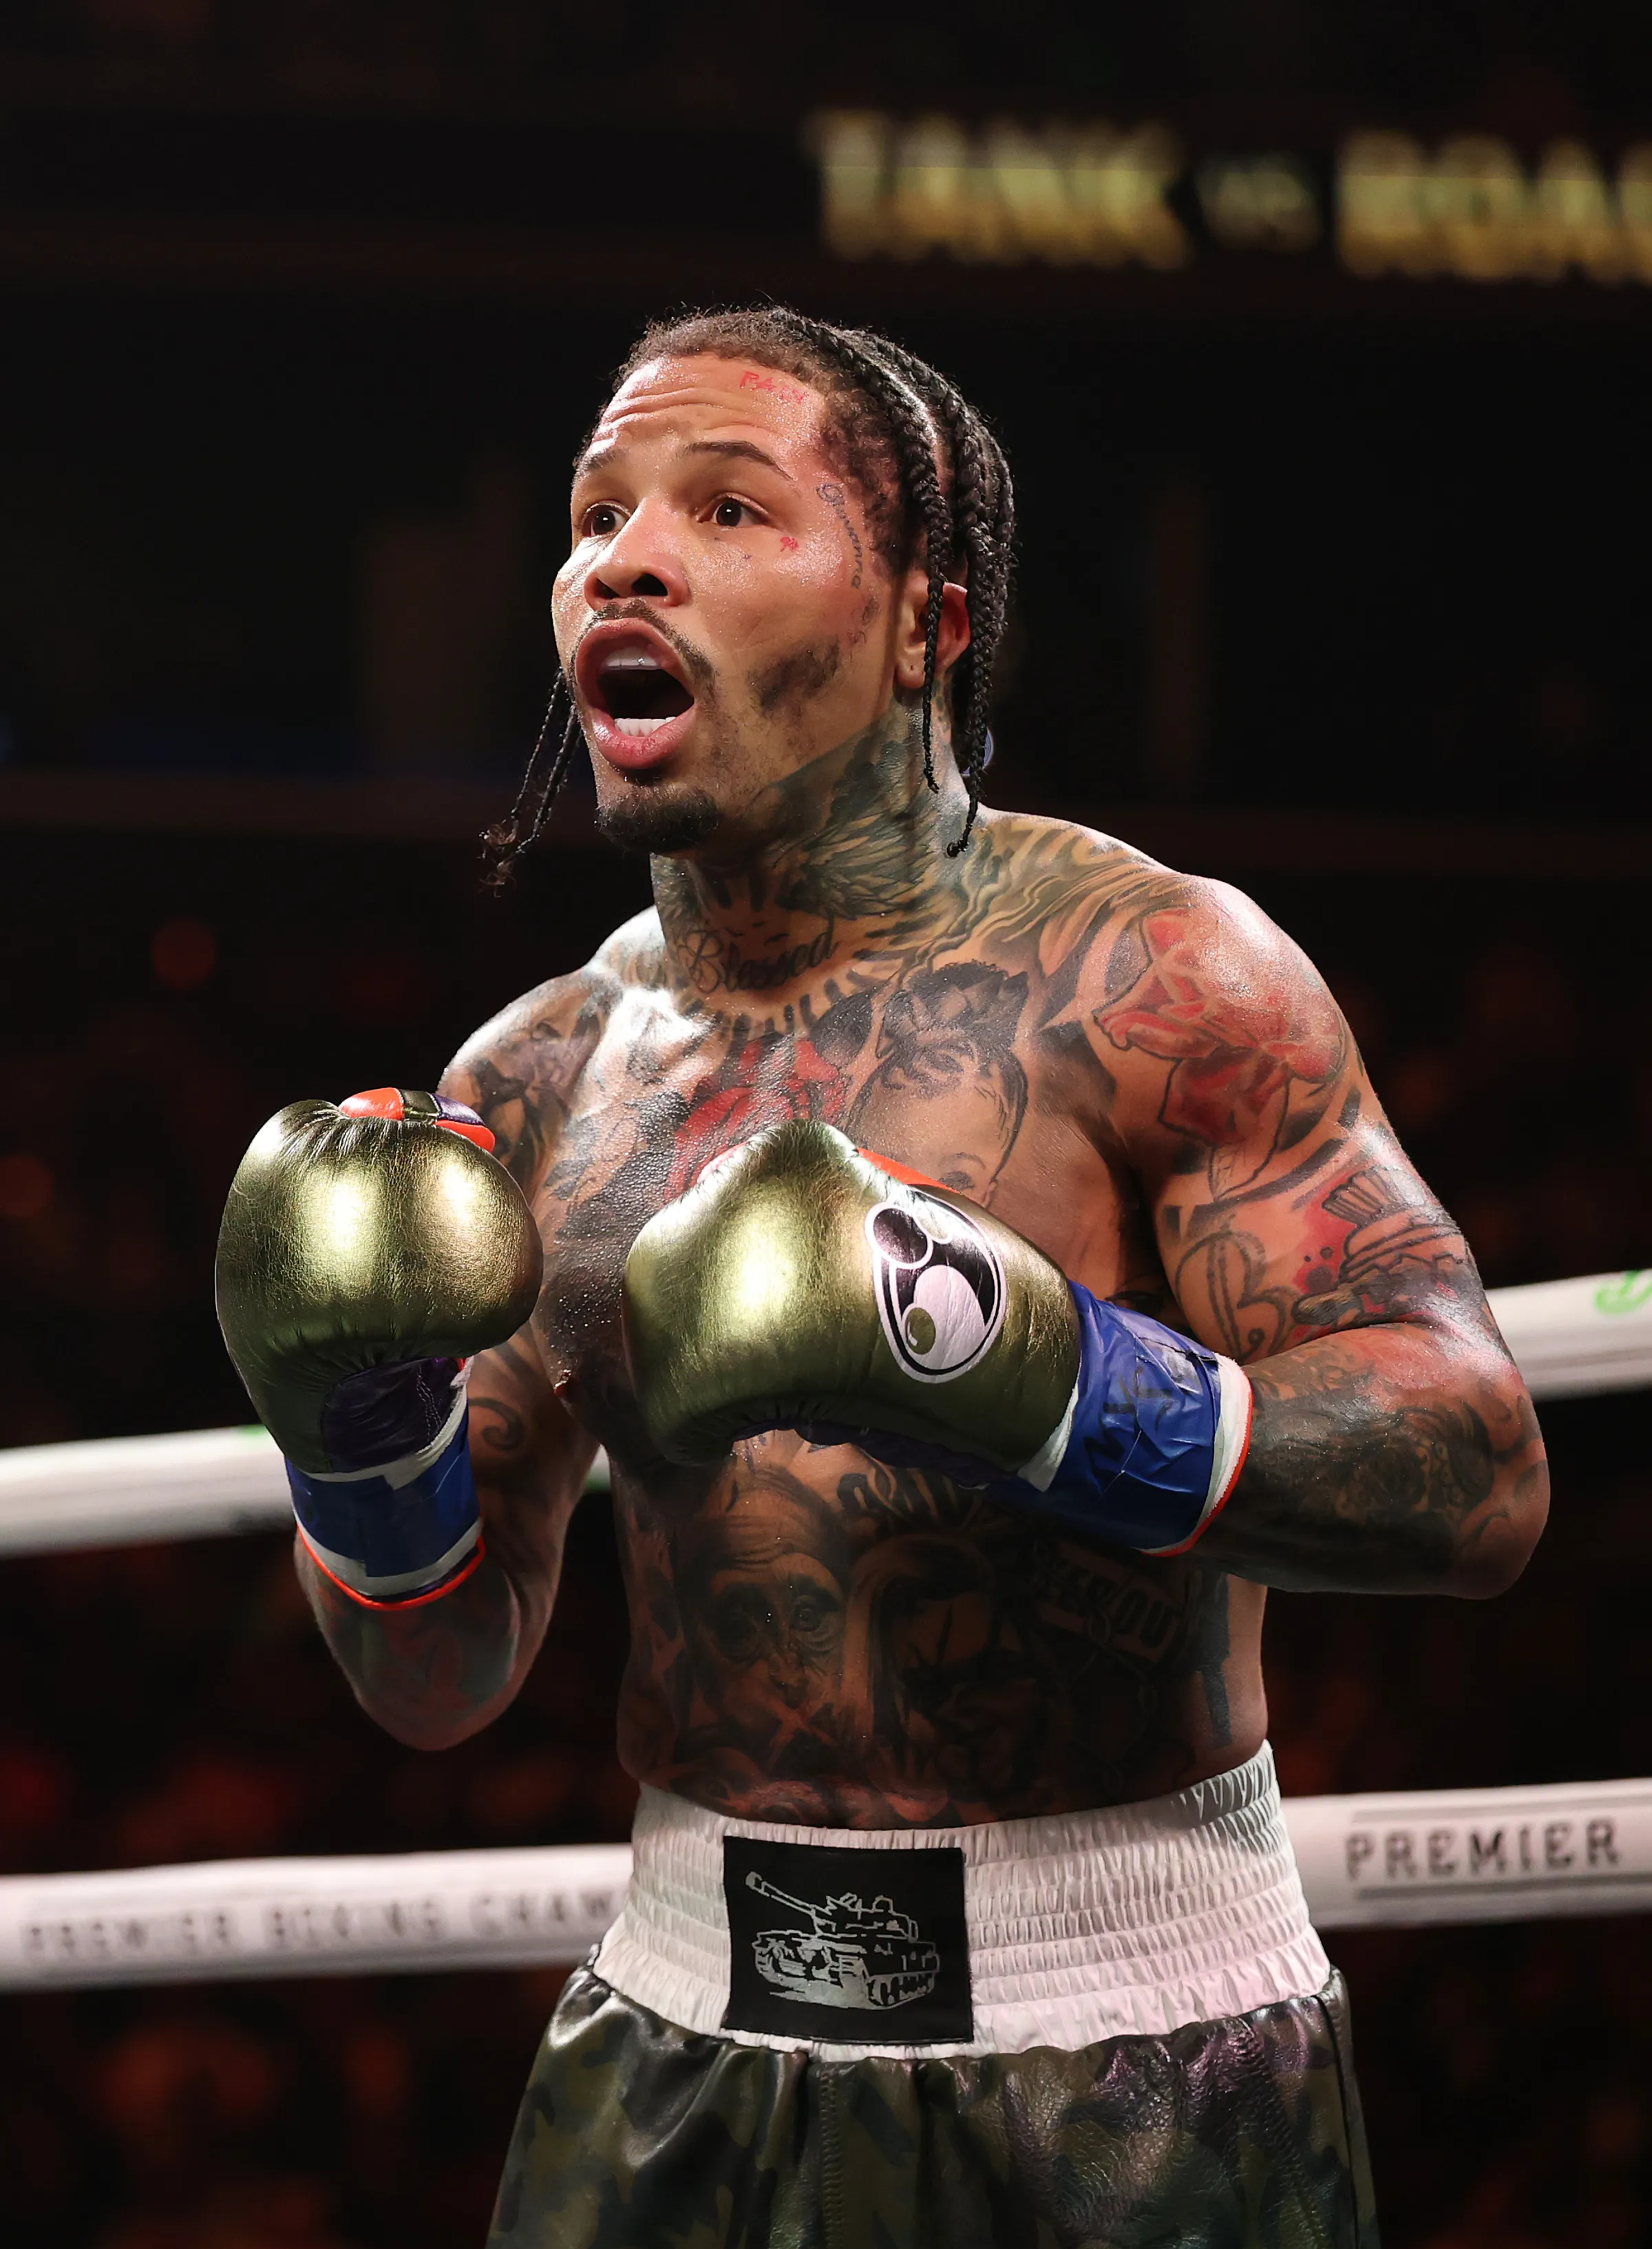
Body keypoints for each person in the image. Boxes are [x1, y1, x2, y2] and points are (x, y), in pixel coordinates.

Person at [215, 308, 1549, 2248]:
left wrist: (1023, 1367)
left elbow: (1480, 1469)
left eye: (729, 505)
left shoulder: (1152, 977)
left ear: (931, 620)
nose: (626, 557)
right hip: (678, 2029)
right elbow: (437, 1672)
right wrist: (347, 1437)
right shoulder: (538, 1074)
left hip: (1130, 2054)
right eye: (598, 514)